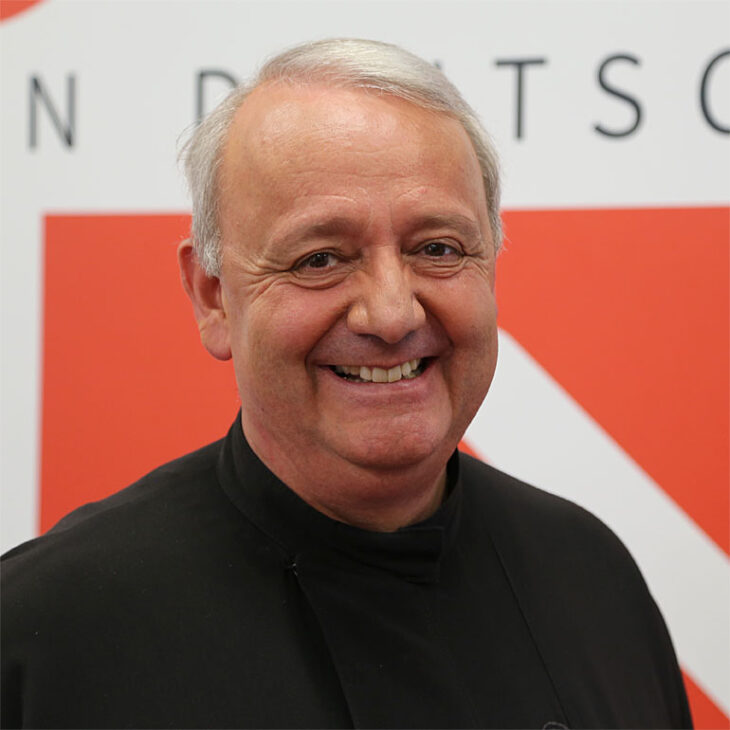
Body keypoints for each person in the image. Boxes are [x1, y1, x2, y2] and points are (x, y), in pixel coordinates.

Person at [1, 39, 691, 729]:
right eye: (320, 259)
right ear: (213, 297)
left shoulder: (590, 578)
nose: (392, 315)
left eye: (438, 249)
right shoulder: (48, 630)